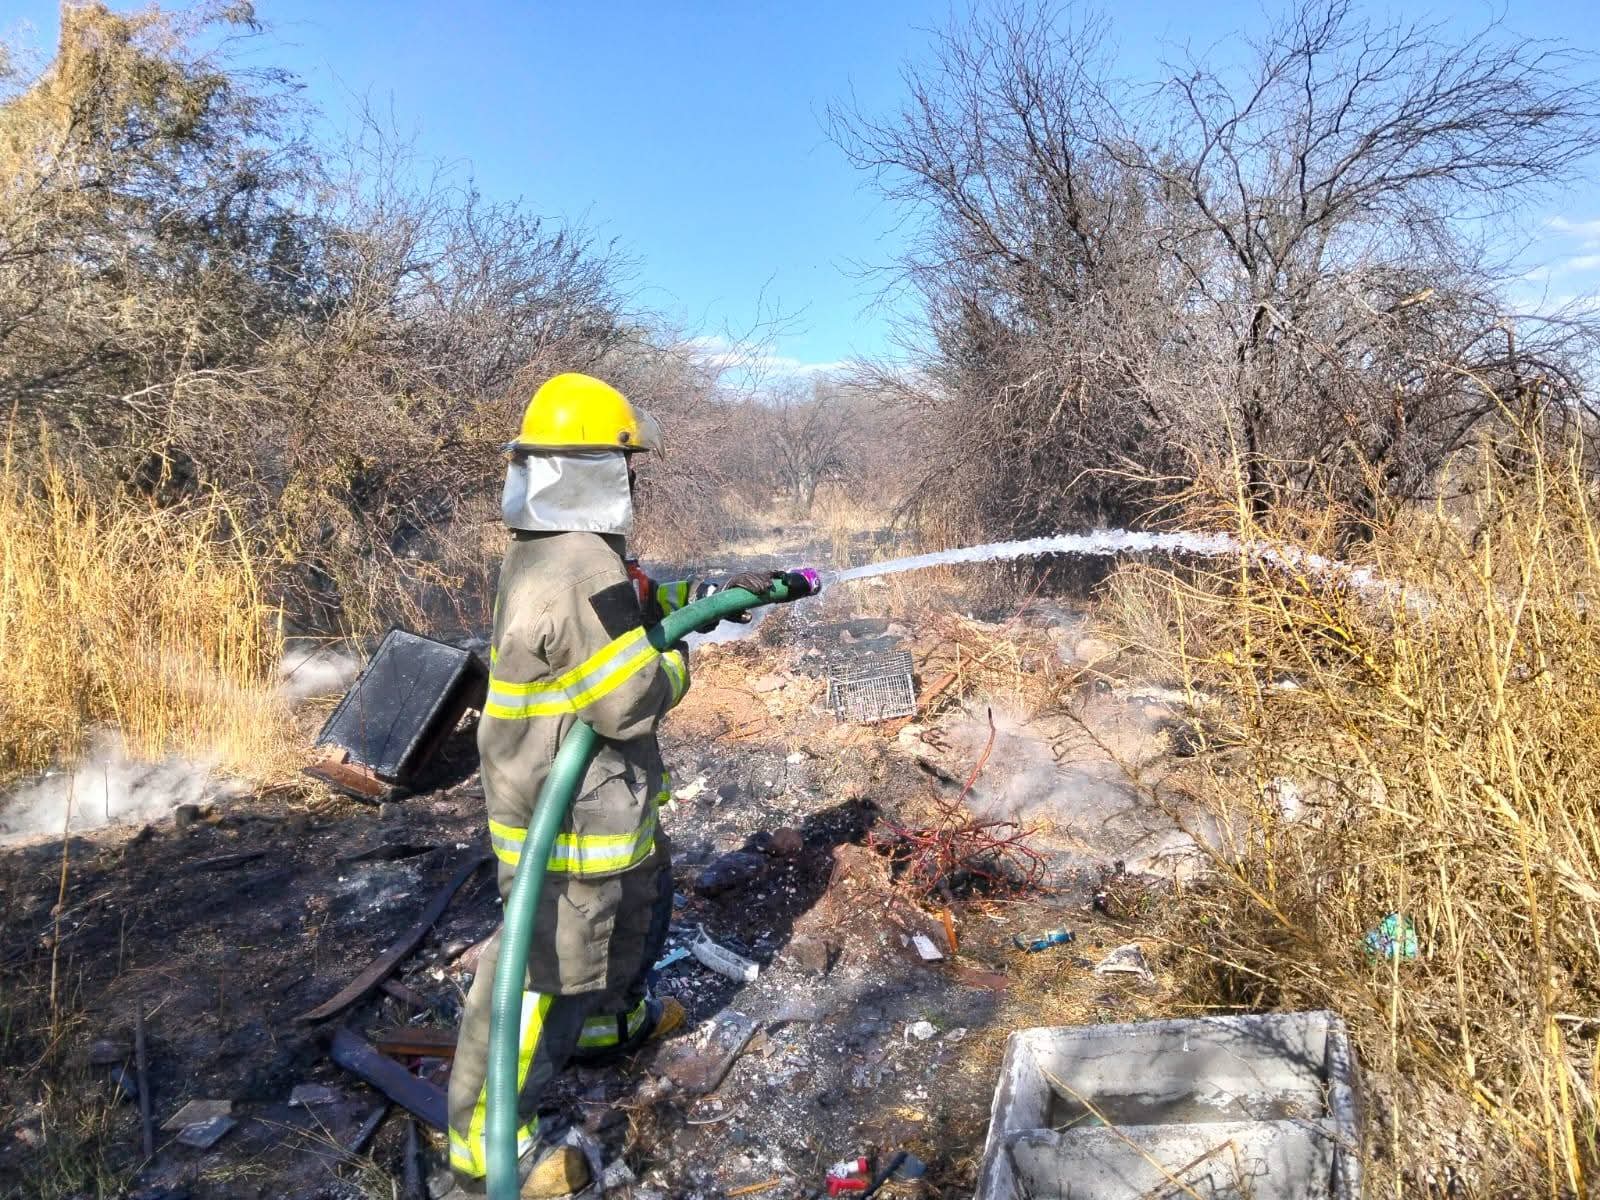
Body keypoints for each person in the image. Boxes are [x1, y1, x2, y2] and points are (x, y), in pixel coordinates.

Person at [445, 372, 771, 1197]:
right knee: (540, 973)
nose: (634, 483)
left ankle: (608, 1027)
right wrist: (682, 649)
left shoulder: (550, 551)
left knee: (630, 914)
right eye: (627, 468)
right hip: (570, 812)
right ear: (597, 469)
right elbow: (631, 696)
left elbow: (616, 610)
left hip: (594, 799)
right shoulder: (578, 559)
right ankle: (486, 1143)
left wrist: (692, 601)